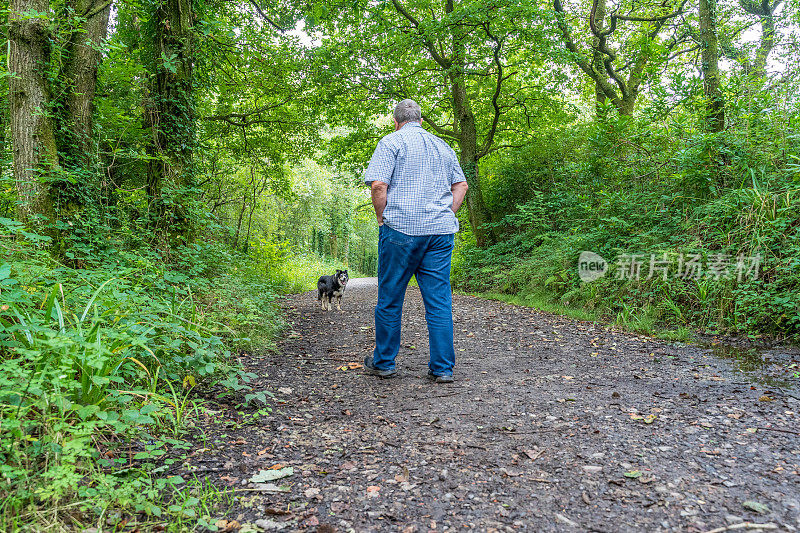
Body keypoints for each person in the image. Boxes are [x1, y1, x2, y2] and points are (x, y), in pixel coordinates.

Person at [362, 99, 469, 383]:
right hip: (439, 232)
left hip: (401, 230)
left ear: (396, 122)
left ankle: (384, 362)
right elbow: (461, 185)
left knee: (390, 298)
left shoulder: (391, 142)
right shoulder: (443, 146)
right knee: (438, 300)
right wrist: (446, 214)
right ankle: (443, 368)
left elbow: (378, 185)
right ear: (420, 120)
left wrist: (382, 218)